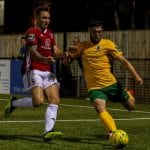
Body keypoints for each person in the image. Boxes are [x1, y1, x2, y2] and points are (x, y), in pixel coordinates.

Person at [69, 18, 143, 137]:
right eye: (95, 31)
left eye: (100, 32)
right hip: (94, 87)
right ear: (89, 30)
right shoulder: (82, 46)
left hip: (111, 84)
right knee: (99, 107)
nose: (97, 34)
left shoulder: (108, 44)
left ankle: (128, 94)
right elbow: (67, 61)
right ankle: (114, 133)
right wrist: (68, 54)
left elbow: (123, 61)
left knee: (130, 106)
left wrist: (136, 76)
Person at [4, 6, 68, 142]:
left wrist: (66, 54)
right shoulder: (32, 31)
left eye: (49, 18)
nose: (47, 20)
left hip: (48, 71)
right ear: (37, 18)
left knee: (55, 100)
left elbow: (56, 51)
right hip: (33, 69)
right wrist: (45, 59)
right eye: (44, 18)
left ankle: (48, 132)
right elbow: (33, 51)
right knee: (38, 101)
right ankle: (15, 103)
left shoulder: (50, 33)